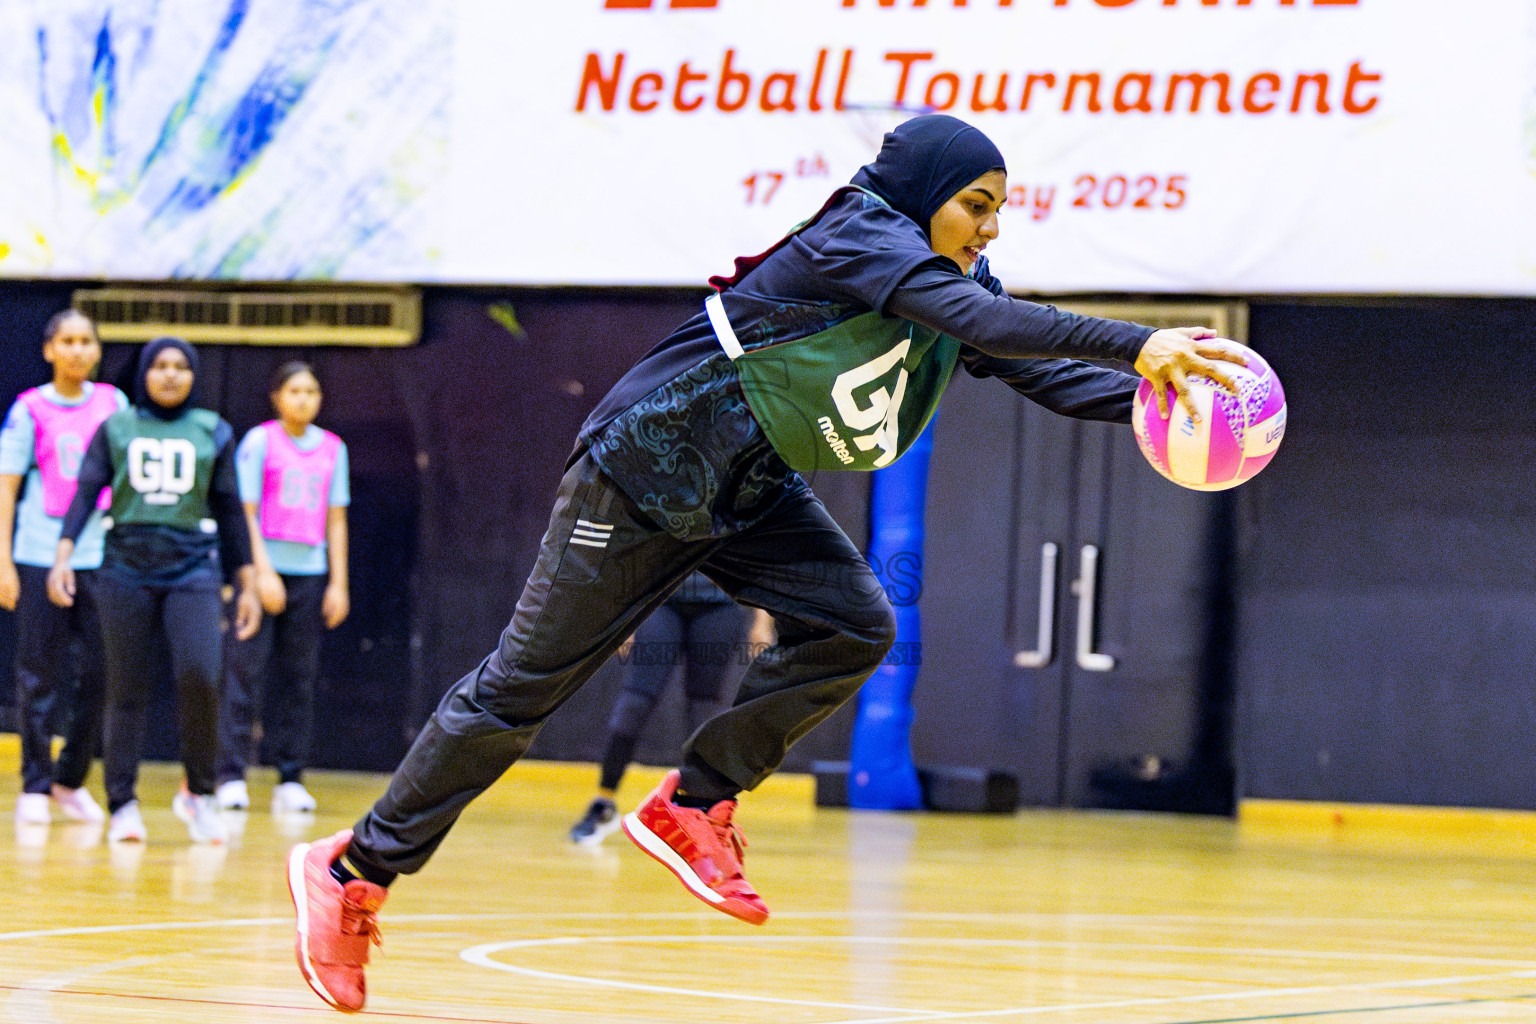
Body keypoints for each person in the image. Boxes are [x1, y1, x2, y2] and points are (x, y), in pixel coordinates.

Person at [286, 113, 1245, 1013]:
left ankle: (693, 802)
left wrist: (1173, 413)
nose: (990, 229)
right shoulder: (861, 236)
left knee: (855, 625)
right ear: (922, 191)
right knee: (517, 696)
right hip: (641, 470)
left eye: (1000, 212)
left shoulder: (953, 292)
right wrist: (1143, 342)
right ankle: (350, 870)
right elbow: (993, 324)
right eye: (977, 204)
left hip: (742, 490)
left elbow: (1039, 368)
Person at [48, 336, 262, 845]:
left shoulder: (214, 431)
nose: (170, 375)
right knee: (125, 686)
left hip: (193, 569)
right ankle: (122, 801)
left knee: (201, 677)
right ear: (144, 373)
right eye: (160, 366)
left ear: (194, 376)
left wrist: (247, 582)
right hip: (124, 566)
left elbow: (232, 512)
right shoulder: (117, 427)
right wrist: (63, 553)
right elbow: (84, 494)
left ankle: (199, 794)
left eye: (181, 367)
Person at [0, 310, 127, 827]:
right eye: (66, 341)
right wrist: (4, 560)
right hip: (37, 551)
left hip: (100, 556)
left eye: (86, 341)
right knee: (38, 672)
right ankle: (33, 782)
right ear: (49, 349)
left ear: (97, 351)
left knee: (102, 674)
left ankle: (69, 779)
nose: (77, 349)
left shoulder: (113, 404)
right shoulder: (30, 408)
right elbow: (7, 486)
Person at [212, 361, 350, 815]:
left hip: (309, 575)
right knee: (244, 673)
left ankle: (290, 776)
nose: (304, 399)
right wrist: (261, 573)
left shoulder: (332, 448)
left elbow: (336, 520)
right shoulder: (260, 441)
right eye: (294, 391)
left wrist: (338, 583)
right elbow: (245, 511)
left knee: (298, 677)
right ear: (276, 397)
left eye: (312, 391)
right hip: (261, 573)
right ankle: (230, 775)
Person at [568, 572, 769, 846]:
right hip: (662, 600)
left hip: (721, 606)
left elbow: (757, 551)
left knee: (704, 711)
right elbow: (639, 549)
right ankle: (605, 802)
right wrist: (623, 615)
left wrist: (762, 618)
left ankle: (701, 810)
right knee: (635, 703)